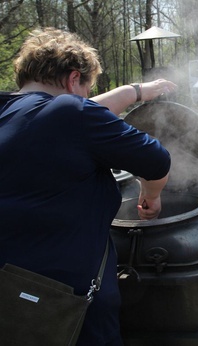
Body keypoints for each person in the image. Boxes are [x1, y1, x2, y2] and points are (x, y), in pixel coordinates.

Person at [0, 27, 174, 345]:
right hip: (67, 307)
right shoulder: (72, 114)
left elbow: (75, 110)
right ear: (72, 79)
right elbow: (158, 161)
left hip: (8, 302)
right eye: (86, 89)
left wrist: (137, 90)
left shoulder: (10, 115)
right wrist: (152, 196)